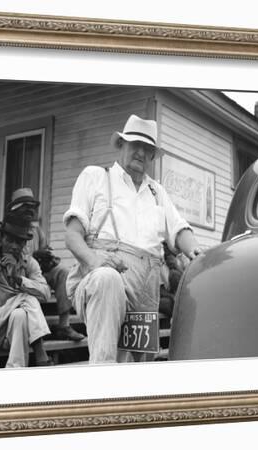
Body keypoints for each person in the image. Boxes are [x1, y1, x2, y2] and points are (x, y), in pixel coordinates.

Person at [63, 114, 202, 364]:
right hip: (99, 276)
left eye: (147, 148)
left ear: (152, 156)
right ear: (122, 145)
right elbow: (73, 235)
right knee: (108, 280)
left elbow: (180, 229)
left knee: (138, 367)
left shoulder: (156, 192)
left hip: (145, 290)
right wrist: (95, 262)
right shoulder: (96, 177)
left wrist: (194, 250)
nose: (140, 152)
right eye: (134, 145)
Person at [0, 213, 53, 368]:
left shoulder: (30, 263)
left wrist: (19, 278)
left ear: (25, 244)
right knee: (27, 299)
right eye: (10, 240)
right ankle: (40, 349)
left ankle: (15, 370)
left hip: (13, 332)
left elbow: (46, 294)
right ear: (1, 239)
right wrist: (24, 289)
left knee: (20, 314)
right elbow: (3, 300)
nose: (15, 246)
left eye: (20, 242)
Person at [6, 188, 85, 341]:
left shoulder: (35, 229)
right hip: (16, 274)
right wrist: (34, 256)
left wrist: (48, 257)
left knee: (62, 272)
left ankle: (64, 325)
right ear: (16, 209)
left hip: (37, 273)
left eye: (32, 207)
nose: (30, 211)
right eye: (26, 207)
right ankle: (33, 332)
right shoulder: (8, 228)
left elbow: (44, 248)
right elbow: (7, 255)